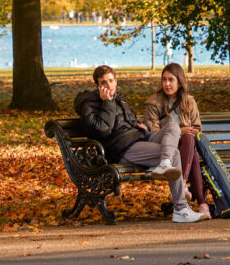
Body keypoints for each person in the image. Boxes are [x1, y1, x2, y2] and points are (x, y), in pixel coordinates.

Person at [75, 65, 206, 224]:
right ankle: (180, 209)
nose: (108, 85)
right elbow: (103, 130)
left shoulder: (120, 99)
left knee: (172, 127)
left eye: (111, 81)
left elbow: (126, 122)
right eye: (104, 82)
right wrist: (107, 103)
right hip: (122, 148)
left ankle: (165, 164)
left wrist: (138, 126)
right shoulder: (90, 104)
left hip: (138, 138)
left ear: (116, 81)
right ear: (97, 85)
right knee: (175, 153)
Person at [144, 62, 210, 218]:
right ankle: (201, 201)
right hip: (164, 147)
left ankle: (184, 184)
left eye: (171, 80)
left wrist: (186, 132)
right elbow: (152, 132)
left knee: (190, 140)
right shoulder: (154, 102)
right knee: (189, 146)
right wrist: (179, 131)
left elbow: (197, 127)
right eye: (164, 80)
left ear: (180, 82)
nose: (167, 84)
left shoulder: (189, 101)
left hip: (185, 147)